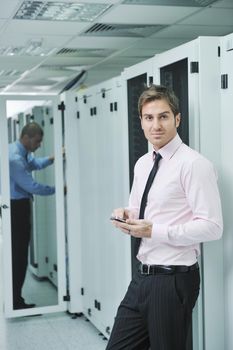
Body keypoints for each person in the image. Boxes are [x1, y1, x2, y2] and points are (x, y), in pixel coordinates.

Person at [107, 84, 223, 350]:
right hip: (142, 277)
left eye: (163, 116)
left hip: (173, 280)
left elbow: (212, 227)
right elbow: (141, 210)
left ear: (177, 118)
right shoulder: (143, 163)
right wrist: (125, 215)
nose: (156, 125)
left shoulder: (194, 165)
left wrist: (154, 231)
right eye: (149, 118)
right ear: (141, 121)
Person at [9, 122, 55, 310]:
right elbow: (32, 186)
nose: (39, 145)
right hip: (16, 209)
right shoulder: (14, 158)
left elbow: (34, 163)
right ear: (26, 137)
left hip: (19, 206)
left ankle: (14, 299)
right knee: (19, 256)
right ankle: (15, 302)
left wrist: (52, 159)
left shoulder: (20, 152)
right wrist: (58, 189)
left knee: (19, 254)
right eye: (37, 141)